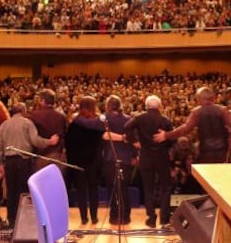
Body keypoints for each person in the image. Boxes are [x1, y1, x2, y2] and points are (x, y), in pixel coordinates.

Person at [0, 102, 59, 228]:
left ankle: (11, 221)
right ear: (23, 111)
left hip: (9, 162)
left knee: (11, 192)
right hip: (24, 161)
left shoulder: (4, 125)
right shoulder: (27, 123)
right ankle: (23, 222)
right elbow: (35, 141)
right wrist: (50, 141)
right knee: (23, 192)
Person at [154, 87, 231, 164]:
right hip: (222, 148)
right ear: (213, 98)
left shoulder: (197, 112)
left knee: (208, 177)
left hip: (205, 149)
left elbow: (185, 129)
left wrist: (166, 135)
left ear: (199, 98)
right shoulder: (222, 110)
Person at [65, 96, 126, 225]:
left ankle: (83, 218)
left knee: (81, 189)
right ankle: (94, 217)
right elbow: (103, 138)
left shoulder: (75, 121)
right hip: (94, 160)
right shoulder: (97, 120)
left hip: (78, 160)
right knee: (93, 189)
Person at [124, 95, 174, 229]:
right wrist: (165, 145)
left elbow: (126, 127)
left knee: (148, 188)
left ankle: (151, 218)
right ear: (159, 106)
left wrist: (134, 141)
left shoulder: (139, 118)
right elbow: (172, 139)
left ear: (146, 106)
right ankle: (164, 219)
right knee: (166, 187)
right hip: (162, 156)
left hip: (146, 155)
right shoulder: (165, 120)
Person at [101, 95, 137, 225]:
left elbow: (104, 135)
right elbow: (132, 139)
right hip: (126, 158)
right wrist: (134, 155)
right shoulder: (129, 119)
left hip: (111, 157)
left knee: (112, 189)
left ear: (108, 105)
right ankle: (126, 217)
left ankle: (114, 216)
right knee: (123, 188)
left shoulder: (105, 118)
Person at [28, 89, 67, 172]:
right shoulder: (62, 116)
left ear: (43, 101)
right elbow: (65, 136)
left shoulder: (34, 116)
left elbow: (32, 138)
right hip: (58, 156)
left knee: (41, 184)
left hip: (41, 156)